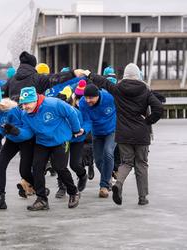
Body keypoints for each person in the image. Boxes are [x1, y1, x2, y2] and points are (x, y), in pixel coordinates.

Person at [83, 63, 163, 205]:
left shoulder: (118, 89)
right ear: (138, 75)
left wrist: (90, 75)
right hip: (141, 133)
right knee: (141, 164)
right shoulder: (145, 90)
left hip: (123, 133)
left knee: (126, 162)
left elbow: (104, 82)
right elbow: (158, 108)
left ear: (124, 76)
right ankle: (142, 197)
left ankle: (118, 184)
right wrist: (149, 121)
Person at [16, 87, 82, 211]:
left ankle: (73, 192)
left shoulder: (53, 104)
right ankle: (42, 199)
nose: (25, 107)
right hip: (42, 142)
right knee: (37, 167)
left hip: (60, 139)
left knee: (59, 167)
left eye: (28, 103)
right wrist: (16, 132)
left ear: (35, 99)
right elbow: (28, 131)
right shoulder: (25, 115)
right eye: (23, 104)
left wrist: (76, 129)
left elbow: (71, 112)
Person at [0, 86, 35, 210]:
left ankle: (40, 189)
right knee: (0, 164)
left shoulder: (10, 111)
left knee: (24, 171)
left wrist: (15, 131)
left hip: (26, 140)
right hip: (12, 140)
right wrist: (1, 133)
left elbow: (24, 128)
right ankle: (0, 198)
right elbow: (4, 126)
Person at [79, 84, 116, 198]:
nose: (88, 100)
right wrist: (83, 130)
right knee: (99, 160)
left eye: (91, 98)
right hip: (97, 133)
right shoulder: (83, 103)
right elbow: (87, 120)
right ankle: (108, 175)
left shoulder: (109, 98)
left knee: (108, 153)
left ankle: (104, 186)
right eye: (86, 97)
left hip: (112, 130)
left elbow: (123, 106)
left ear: (98, 95)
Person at [2, 51, 85, 102]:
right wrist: (73, 73)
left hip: (15, 118)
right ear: (33, 65)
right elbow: (56, 78)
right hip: (33, 116)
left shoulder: (11, 80)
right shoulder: (37, 78)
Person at [55, 86, 90, 199]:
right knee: (61, 165)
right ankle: (62, 187)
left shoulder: (78, 111)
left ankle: (82, 175)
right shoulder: (55, 111)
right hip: (63, 140)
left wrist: (83, 131)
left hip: (77, 140)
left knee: (74, 164)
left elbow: (87, 122)